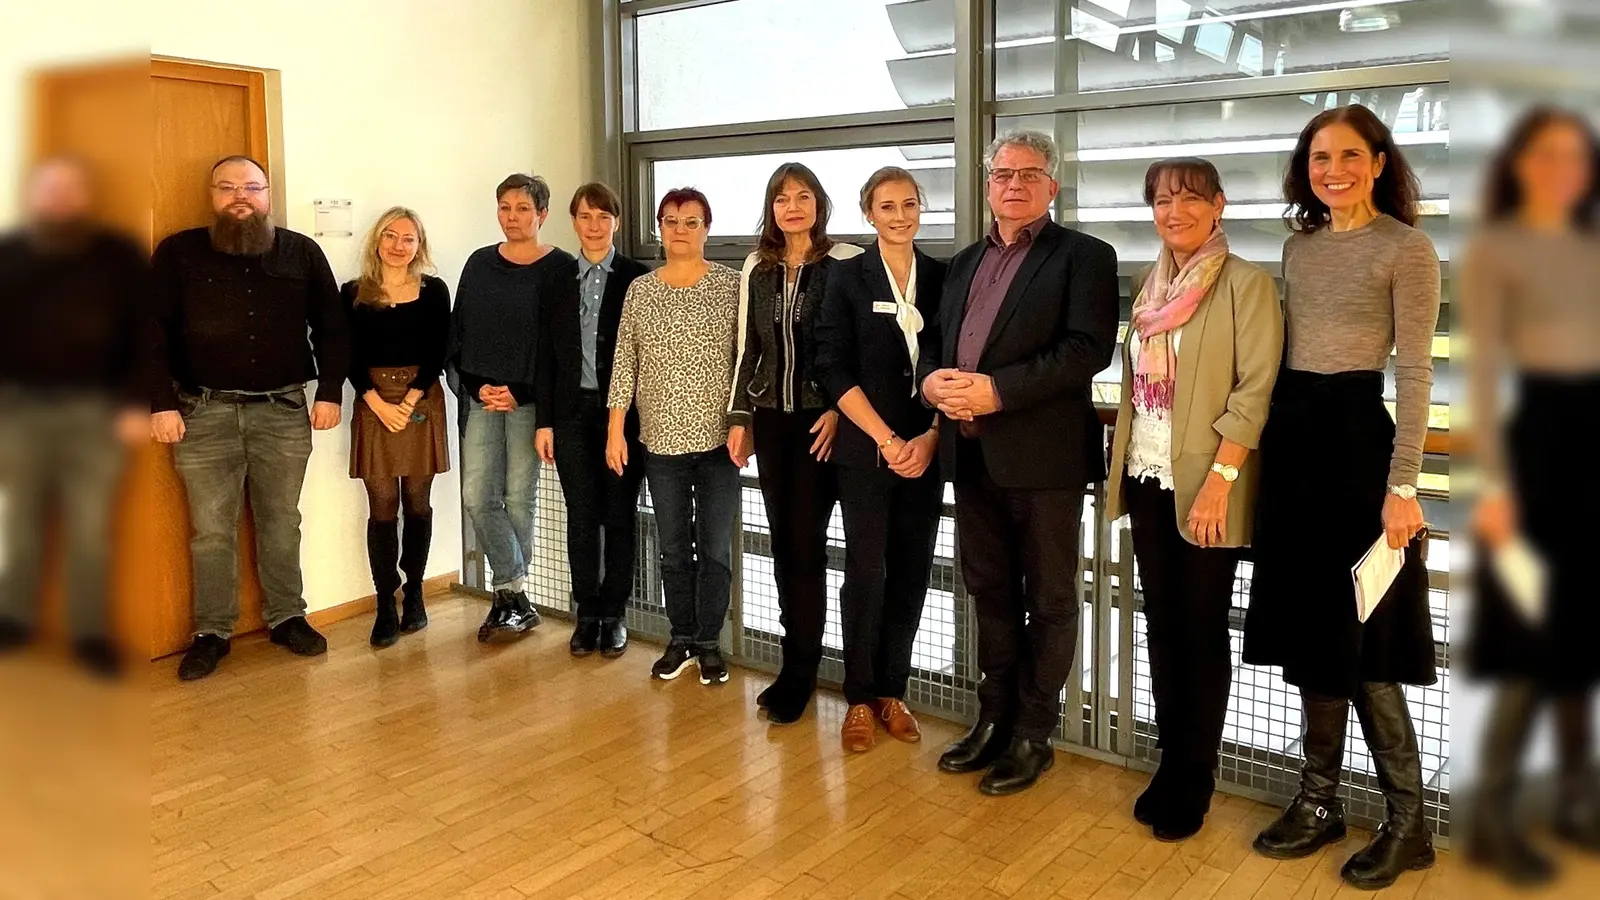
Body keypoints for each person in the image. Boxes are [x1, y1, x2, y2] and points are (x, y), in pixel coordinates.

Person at [1242, 106, 1441, 890]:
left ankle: (1409, 824)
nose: (1334, 169)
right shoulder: (1299, 247)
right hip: (1293, 447)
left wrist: (1403, 487)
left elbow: (1418, 375)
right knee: (1310, 633)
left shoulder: (1408, 248)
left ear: (1380, 161)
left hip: (1360, 449)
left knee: (1367, 638)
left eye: (1350, 155)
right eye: (1320, 156)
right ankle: (1318, 802)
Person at [921, 130, 1119, 795]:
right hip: (972, 459)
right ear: (987, 185)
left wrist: (997, 391)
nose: (1013, 184)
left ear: (1051, 187)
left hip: (1045, 462)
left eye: (1028, 174)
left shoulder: (1086, 257)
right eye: (1002, 173)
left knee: (1053, 600)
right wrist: (930, 384)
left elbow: (1088, 349)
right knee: (991, 594)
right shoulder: (964, 262)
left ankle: (1035, 734)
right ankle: (993, 720)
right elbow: (938, 344)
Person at [1102, 158, 1282, 840]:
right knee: (1162, 625)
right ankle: (1170, 761)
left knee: (1202, 632)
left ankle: (1195, 776)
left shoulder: (1246, 285)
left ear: (1219, 206)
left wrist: (1220, 483)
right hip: (1149, 478)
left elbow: (1254, 390)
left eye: (1189, 199)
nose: (1174, 212)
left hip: (1210, 486)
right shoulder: (1152, 289)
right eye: (1161, 201)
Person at [1461, 107, 1600, 886]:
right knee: (1530, 635)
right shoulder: (1498, 249)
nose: (1562, 168)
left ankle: (1579, 798)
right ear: (1519, 163)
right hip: (1540, 450)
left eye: (1575, 156)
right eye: (1546, 155)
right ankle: (1492, 818)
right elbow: (1481, 376)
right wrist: (1496, 487)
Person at [151, 154, 350, 681]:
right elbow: (149, 333)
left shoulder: (301, 253)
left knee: (282, 522)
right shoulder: (178, 253)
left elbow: (333, 328)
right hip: (203, 414)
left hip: (283, 413)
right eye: (227, 186)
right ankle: (212, 631)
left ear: (268, 194)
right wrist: (160, 402)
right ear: (212, 195)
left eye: (252, 187)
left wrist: (329, 392)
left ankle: (287, 617)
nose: (241, 196)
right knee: (211, 531)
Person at [0, 156, 151, 677]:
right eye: (50, 188)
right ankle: (15, 620)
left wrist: (136, 404)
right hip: (19, 412)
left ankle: (90, 634)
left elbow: (143, 334)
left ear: (85, 196)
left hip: (97, 414)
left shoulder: (119, 255)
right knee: (21, 522)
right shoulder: (9, 253)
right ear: (34, 195)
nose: (60, 198)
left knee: (88, 529)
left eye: (70, 188)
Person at [814, 167, 946, 752]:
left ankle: (893, 689)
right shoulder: (845, 277)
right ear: (868, 214)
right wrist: (887, 440)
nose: (899, 215)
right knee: (867, 574)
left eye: (909, 204)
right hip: (867, 452)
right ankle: (860, 698)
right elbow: (832, 366)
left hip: (926, 451)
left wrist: (931, 438)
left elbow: (958, 358)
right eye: (886, 206)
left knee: (912, 572)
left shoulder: (943, 277)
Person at [726, 163, 863, 724]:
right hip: (775, 425)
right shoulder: (756, 267)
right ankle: (798, 668)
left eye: (803, 196)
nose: (793, 207)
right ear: (771, 209)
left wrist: (838, 408)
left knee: (834, 547)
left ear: (819, 204)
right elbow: (747, 346)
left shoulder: (848, 262)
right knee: (791, 548)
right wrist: (740, 417)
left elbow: (855, 346)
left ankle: (852, 677)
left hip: (830, 422)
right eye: (782, 199)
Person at [606, 188, 740, 685]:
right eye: (670, 221)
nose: (679, 230)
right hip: (659, 442)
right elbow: (624, 362)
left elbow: (746, 360)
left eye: (690, 221)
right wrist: (615, 429)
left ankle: (710, 643)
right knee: (672, 547)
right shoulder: (642, 290)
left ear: (707, 228)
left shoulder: (730, 286)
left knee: (716, 549)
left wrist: (743, 426)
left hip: (718, 444)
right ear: (659, 228)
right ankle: (680, 636)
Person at [450, 174, 574, 643]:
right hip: (481, 400)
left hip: (529, 404)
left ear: (541, 214)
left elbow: (558, 343)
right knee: (477, 496)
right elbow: (461, 329)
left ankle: (507, 599)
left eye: (523, 208)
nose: (513, 217)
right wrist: (477, 387)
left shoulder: (559, 266)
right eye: (505, 207)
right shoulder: (479, 263)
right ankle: (516, 596)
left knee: (519, 497)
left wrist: (524, 395)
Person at [536, 183, 650, 658]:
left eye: (604, 217)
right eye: (586, 217)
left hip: (624, 416)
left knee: (620, 515)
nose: (595, 225)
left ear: (617, 222)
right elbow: (545, 355)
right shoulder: (557, 277)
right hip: (570, 413)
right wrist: (545, 422)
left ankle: (614, 613)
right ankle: (587, 613)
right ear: (573, 222)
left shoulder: (637, 278)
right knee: (581, 516)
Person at [343, 207, 450, 648]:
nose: (398, 245)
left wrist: (406, 401)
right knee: (383, 505)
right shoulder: (353, 292)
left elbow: (439, 348)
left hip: (420, 400)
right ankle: (385, 603)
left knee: (417, 501)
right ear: (377, 241)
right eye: (390, 235)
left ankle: (417, 593)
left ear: (419, 245)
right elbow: (344, 352)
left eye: (408, 238)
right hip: (372, 401)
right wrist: (374, 401)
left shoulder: (434, 290)